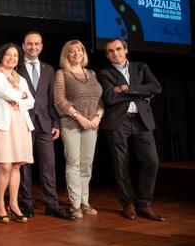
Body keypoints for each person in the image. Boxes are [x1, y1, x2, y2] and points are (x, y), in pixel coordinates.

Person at [97, 39, 164, 221]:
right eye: (111, 51)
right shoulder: (105, 73)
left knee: (152, 161)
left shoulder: (141, 67)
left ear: (126, 50)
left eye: (119, 49)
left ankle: (144, 203)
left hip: (142, 120)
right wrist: (140, 92)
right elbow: (110, 98)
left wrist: (126, 88)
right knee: (121, 163)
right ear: (107, 55)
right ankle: (128, 203)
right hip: (119, 122)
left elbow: (156, 87)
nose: (115, 53)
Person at [17, 31, 74, 220]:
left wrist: (56, 122)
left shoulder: (49, 69)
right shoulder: (15, 67)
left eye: (37, 44)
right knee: (24, 165)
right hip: (22, 123)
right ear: (23, 46)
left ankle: (52, 204)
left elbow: (52, 100)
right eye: (29, 44)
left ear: (41, 46)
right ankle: (27, 204)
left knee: (48, 165)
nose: (33, 47)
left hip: (45, 124)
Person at [54, 40, 103, 219]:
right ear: (66, 55)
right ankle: (75, 205)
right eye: (71, 51)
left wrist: (97, 117)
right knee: (73, 163)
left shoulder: (92, 73)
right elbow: (59, 100)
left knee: (87, 164)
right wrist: (80, 118)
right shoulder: (62, 74)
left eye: (79, 50)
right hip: (71, 124)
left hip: (92, 125)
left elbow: (100, 100)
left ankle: (85, 202)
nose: (76, 54)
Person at [0, 44, 35, 223]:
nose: (12, 58)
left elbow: (31, 101)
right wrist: (20, 95)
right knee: (5, 165)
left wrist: (20, 97)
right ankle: (0, 204)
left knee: (16, 165)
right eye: (9, 54)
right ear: (1, 55)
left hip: (20, 122)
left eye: (16, 55)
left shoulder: (20, 78)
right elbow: (5, 92)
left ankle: (14, 204)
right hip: (3, 123)